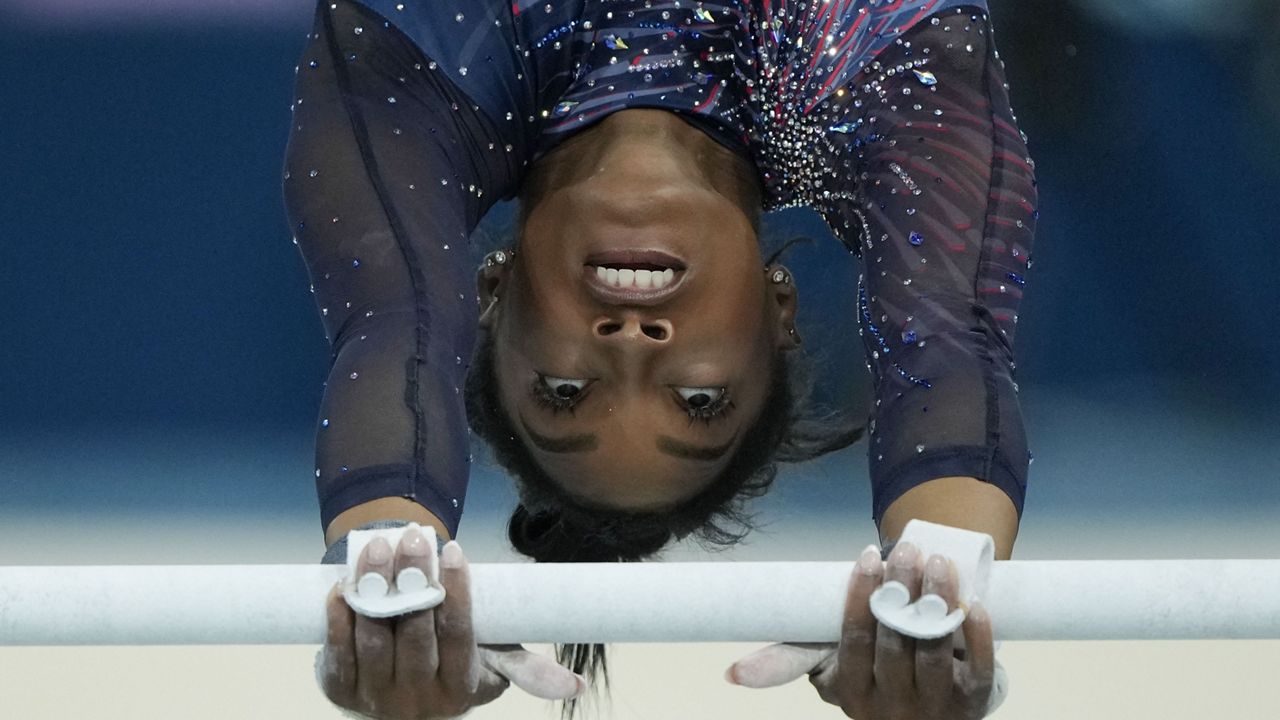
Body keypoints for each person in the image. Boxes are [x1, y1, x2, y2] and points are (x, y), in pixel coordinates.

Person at [283, 0, 1037, 717]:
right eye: (698, 401)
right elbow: (944, 340)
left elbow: (394, 324)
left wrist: (385, 582)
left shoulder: (420, 66)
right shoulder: (876, 71)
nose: (633, 345)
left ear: (490, 291)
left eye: (565, 390)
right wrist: (941, 592)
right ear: (780, 313)